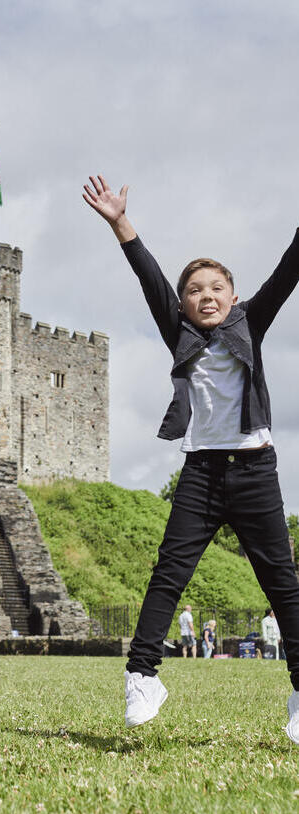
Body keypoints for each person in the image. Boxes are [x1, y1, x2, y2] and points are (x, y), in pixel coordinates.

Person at [83, 174, 299, 742]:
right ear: (182, 304)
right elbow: (148, 276)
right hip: (201, 472)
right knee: (168, 575)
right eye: (194, 290)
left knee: (282, 583)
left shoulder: (251, 322)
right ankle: (142, 675)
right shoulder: (177, 332)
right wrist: (119, 222)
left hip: (254, 469)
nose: (205, 296)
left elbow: (289, 271)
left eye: (215, 287)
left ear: (233, 295)